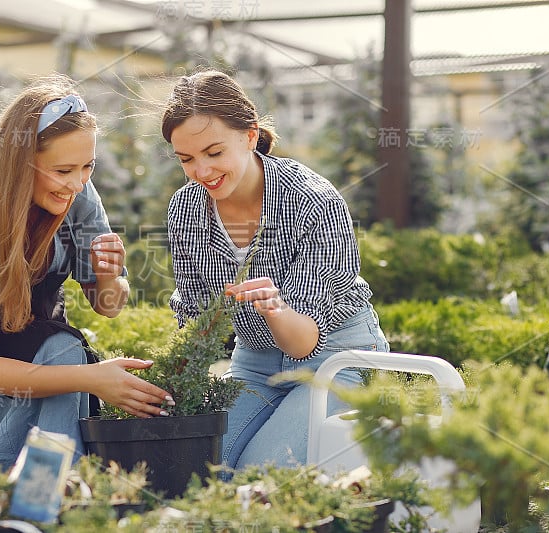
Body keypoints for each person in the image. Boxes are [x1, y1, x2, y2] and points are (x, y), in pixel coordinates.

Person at [0, 74, 174, 499]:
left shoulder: (75, 192)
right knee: (65, 354)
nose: (79, 182)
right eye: (63, 169)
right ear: (20, 163)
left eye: (89, 166)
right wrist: (90, 378)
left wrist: (108, 275)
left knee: (62, 351)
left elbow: (109, 305)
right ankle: (12, 495)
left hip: (44, 345)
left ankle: (29, 499)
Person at [161, 69, 390, 472]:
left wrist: (274, 308)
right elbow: (196, 317)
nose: (201, 171)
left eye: (214, 153)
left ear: (250, 137)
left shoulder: (313, 201)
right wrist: (172, 374)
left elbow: (303, 342)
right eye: (187, 159)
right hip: (255, 361)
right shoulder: (185, 209)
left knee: (259, 474)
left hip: (336, 356)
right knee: (198, 465)